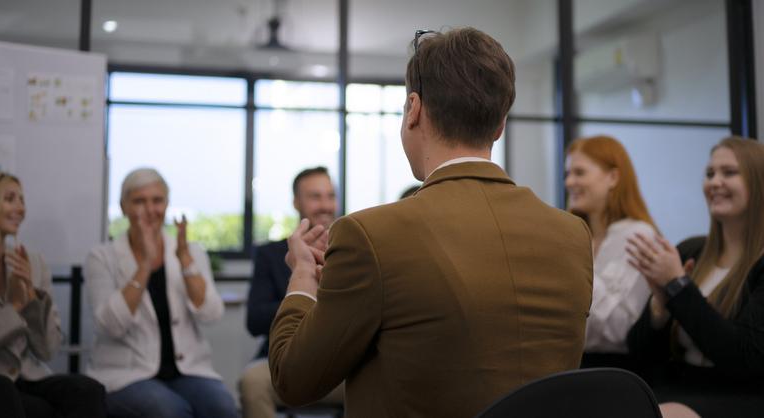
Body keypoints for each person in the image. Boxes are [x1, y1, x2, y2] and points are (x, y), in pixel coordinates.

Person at [268, 27, 593, 418]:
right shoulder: (572, 235)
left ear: (414, 109)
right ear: (500, 124)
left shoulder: (370, 236)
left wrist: (303, 277)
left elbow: (293, 381)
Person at [627, 137, 764, 418]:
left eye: (729, 172)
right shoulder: (691, 251)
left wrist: (679, 285)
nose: (715, 182)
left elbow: (744, 358)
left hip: (741, 397)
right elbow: (640, 355)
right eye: (710, 173)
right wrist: (660, 306)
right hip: (676, 390)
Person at [84, 168, 238, 418]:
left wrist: (186, 261)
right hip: (127, 374)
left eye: (157, 200)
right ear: (123, 207)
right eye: (139, 201)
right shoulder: (102, 257)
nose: (150, 210)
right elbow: (110, 326)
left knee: (222, 407)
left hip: (188, 370)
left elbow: (211, 314)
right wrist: (144, 265)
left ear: (167, 204)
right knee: (170, 412)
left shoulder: (191, 251)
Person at [0, 172, 106, 418]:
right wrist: (14, 307)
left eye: (22, 200)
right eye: (10, 198)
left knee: (87, 390)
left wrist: (34, 300)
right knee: (5, 393)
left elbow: (48, 350)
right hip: (0, 383)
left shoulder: (33, 262)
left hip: (26, 375)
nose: (20, 208)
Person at [238, 166, 343, 418]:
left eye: (330, 196)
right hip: (286, 360)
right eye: (315, 197)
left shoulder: (353, 250)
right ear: (296, 202)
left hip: (342, 360)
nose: (325, 205)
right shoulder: (271, 254)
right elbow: (255, 321)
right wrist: (302, 284)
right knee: (252, 383)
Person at [565, 135, 658, 370]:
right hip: (572, 365)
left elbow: (619, 329)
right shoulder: (576, 236)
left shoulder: (638, 237)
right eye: (568, 174)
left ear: (613, 177)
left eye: (579, 173)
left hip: (616, 371)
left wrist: (575, 264)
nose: (569, 182)